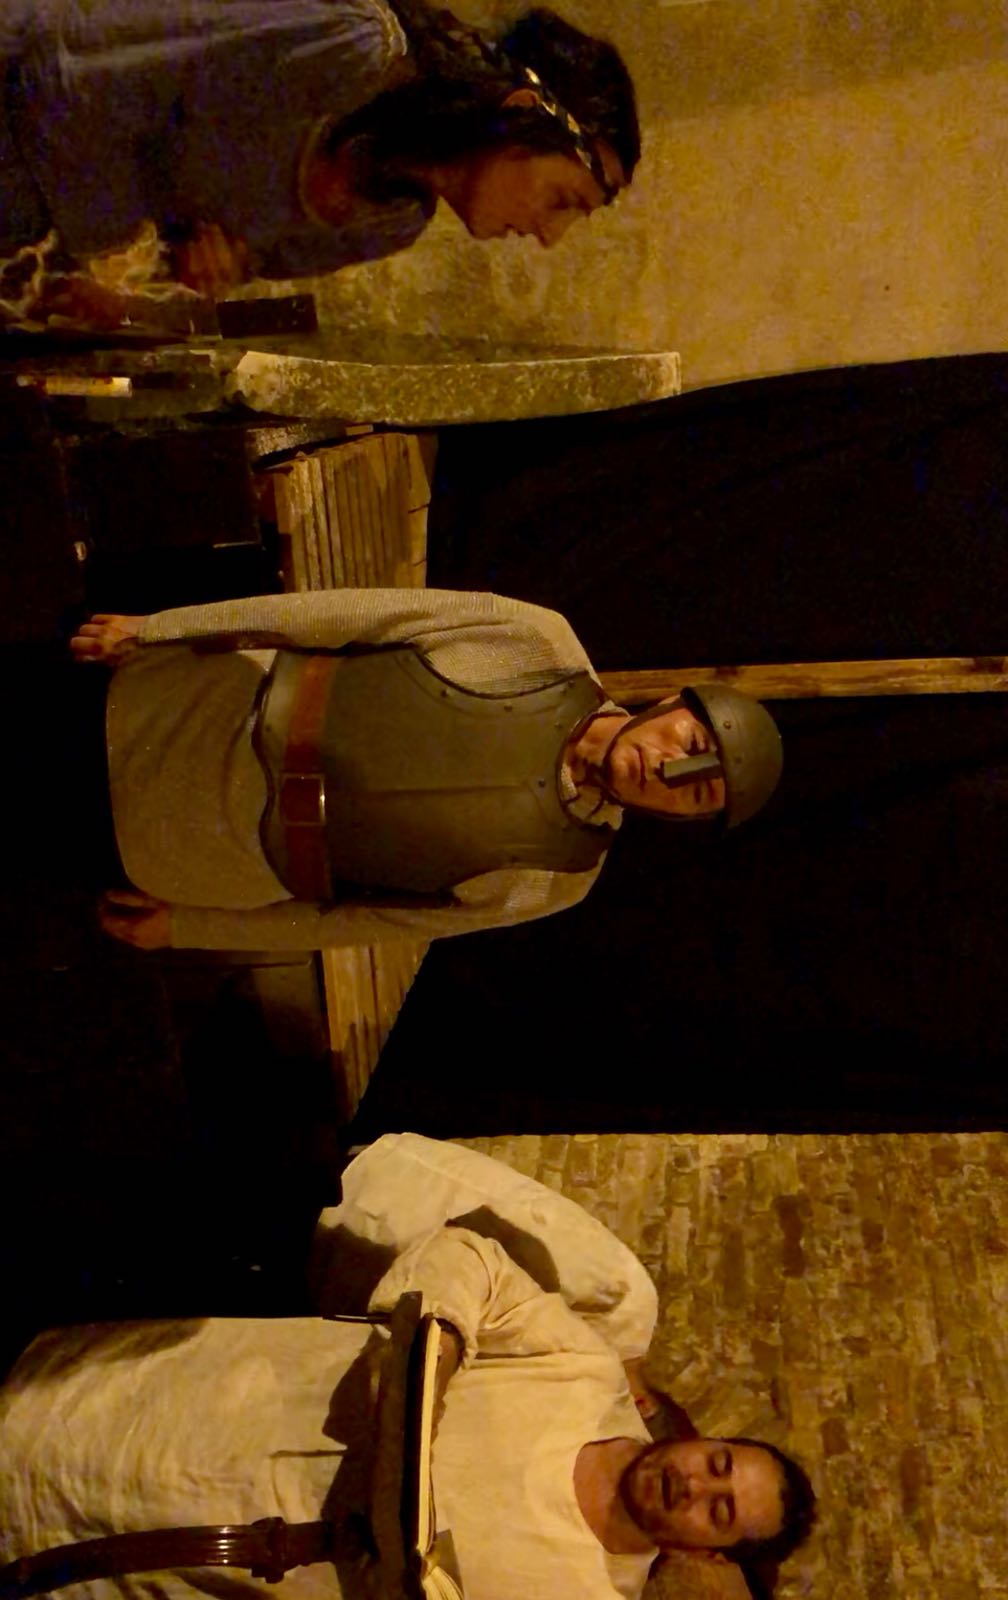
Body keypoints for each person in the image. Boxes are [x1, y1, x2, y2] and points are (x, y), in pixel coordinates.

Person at [0, 1155, 816, 1600]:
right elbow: (474, 1263)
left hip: (193, 1569)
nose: (696, 1485)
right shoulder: (581, 1370)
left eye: (719, 1510)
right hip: (207, 1405)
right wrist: (441, 1350)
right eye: (719, 1464)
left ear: (707, 1551)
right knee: (30, 1418)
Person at [67, 588, 784, 951]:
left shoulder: (560, 876)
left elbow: (367, 923)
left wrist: (190, 927)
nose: (671, 769)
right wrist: (161, 628)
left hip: (186, 850)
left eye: (700, 791)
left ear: (684, 820)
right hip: (185, 711)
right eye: (690, 739)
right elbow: (336, 615)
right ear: (670, 704)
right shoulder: (537, 643)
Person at [0, 0, 638, 326]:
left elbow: (170, 254)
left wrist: (183, 270)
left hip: (31, 233)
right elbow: (74, 71)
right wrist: (116, 246)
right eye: (564, 200)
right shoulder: (353, 42)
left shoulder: (391, 220)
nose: (551, 236)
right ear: (522, 109)